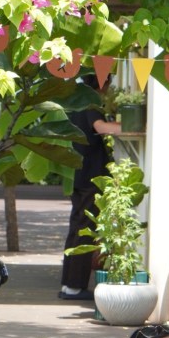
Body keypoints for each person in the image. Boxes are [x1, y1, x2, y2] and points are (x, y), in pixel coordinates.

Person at [59, 74, 122, 301]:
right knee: (85, 230)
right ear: (101, 83)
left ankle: (68, 284)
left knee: (77, 227)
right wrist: (126, 125)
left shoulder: (77, 100)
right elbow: (100, 127)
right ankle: (75, 286)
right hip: (91, 175)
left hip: (79, 173)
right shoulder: (89, 101)